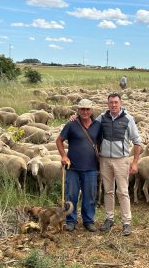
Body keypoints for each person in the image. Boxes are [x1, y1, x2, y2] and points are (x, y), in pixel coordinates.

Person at [98, 93, 141, 236]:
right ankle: (109, 219)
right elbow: (89, 126)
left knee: (122, 191)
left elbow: (137, 142)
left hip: (121, 160)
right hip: (104, 159)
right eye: (111, 103)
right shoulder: (102, 118)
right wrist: (75, 118)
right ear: (108, 104)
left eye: (116, 102)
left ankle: (126, 222)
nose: (113, 105)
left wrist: (134, 162)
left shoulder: (128, 119)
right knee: (108, 191)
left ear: (120, 103)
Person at [56, 99, 101, 232]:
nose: (85, 112)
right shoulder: (71, 124)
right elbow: (59, 141)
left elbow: (100, 144)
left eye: (87, 109)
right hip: (73, 167)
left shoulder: (98, 125)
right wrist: (64, 156)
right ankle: (70, 220)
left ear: (91, 110)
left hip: (91, 167)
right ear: (78, 110)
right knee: (71, 195)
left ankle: (88, 221)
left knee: (90, 195)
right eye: (82, 109)